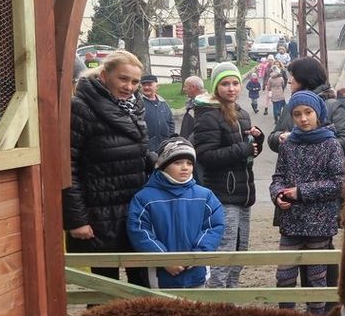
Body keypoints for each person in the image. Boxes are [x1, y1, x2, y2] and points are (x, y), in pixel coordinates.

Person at [63, 50, 151, 287]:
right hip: (98, 215)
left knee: (141, 285)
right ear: (104, 76)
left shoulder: (135, 109)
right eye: (123, 79)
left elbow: (139, 156)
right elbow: (68, 167)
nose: (129, 87)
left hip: (133, 212)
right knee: (104, 290)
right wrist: (76, 220)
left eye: (134, 81)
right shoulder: (81, 108)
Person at [269, 90, 345, 314]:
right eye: (297, 114)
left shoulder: (331, 145)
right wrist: (278, 195)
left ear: (317, 113)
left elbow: (340, 183)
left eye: (308, 112)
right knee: (284, 275)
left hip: (319, 223)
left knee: (316, 278)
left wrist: (302, 192)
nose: (303, 118)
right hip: (291, 220)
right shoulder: (288, 144)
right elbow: (278, 177)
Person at [190, 62, 263, 288]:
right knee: (224, 252)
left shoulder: (241, 113)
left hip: (243, 194)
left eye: (235, 83)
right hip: (223, 194)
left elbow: (244, 153)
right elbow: (205, 156)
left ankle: (232, 299)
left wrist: (256, 140)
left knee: (240, 252)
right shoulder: (208, 115)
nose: (231, 88)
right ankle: (217, 301)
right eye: (225, 84)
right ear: (216, 87)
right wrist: (243, 149)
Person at [126, 137, 225, 289]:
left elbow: (214, 227)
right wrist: (164, 259)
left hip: (196, 273)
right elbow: (140, 232)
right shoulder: (144, 198)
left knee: (196, 311)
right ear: (163, 165)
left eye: (189, 163)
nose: (185, 167)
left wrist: (197, 254)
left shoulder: (205, 196)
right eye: (177, 163)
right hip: (159, 277)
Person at [267, 57, 345, 157]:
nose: (290, 81)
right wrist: (280, 137)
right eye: (298, 114)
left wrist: (309, 142)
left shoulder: (334, 107)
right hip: (294, 170)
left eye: (293, 76)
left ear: (304, 78)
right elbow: (273, 138)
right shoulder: (290, 106)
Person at [139, 74, 175, 156]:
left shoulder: (163, 103)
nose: (146, 87)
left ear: (157, 86)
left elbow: (171, 122)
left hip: (165, 146)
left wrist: (168, 138)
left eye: (149, 85)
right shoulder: (138, 103)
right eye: (144, 85)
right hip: (147, 149)